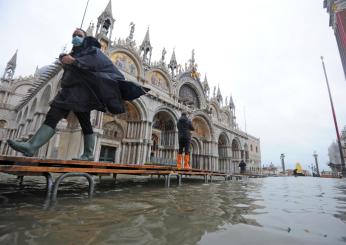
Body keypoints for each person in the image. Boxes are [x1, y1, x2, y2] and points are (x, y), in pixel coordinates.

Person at [7, 28, 149, 160]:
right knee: (59, 117)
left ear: (85, 38)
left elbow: (95, 65)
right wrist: (67, 61)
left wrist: (75, 62)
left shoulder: (93, 50)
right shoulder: (75, 53)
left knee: (77, 120)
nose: (76, 37)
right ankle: (34, 146)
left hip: (81, 93)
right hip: (69, 91)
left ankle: (85, 153)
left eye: (79, 35)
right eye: (74, 35)